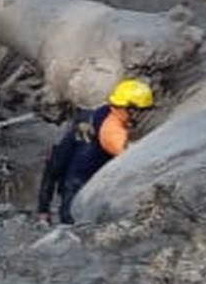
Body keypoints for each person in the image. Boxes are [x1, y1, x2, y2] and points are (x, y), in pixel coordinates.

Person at [37, 77, 154, 224]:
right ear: (129, 108)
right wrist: (43, 210)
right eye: (142, 111)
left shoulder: (98, 116)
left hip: (94, 189)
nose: (144, 116)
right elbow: (53, 166)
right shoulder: (111, 131)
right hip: (77, 199)